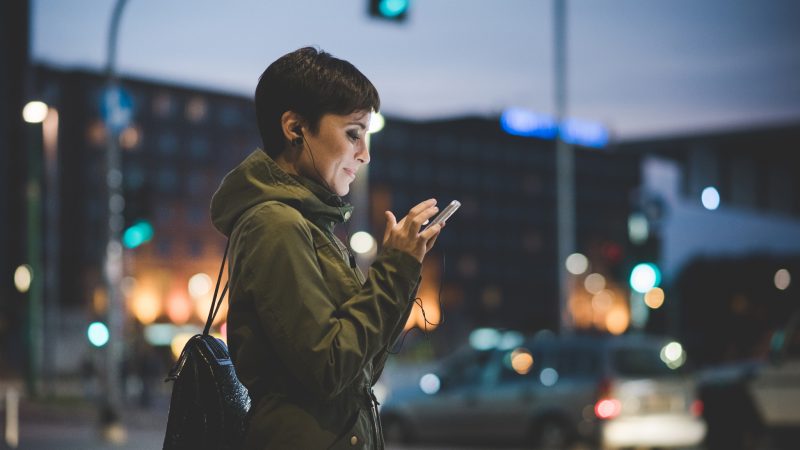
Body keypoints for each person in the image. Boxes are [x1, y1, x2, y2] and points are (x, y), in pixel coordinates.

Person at [210, 47, 444, 450]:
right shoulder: (275, 225)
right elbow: (330, 368)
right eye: (353, 133)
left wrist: (403, 267)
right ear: (295, 128)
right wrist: (395, 269)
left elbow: (361, 369)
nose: (364, 154)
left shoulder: (308, 226)